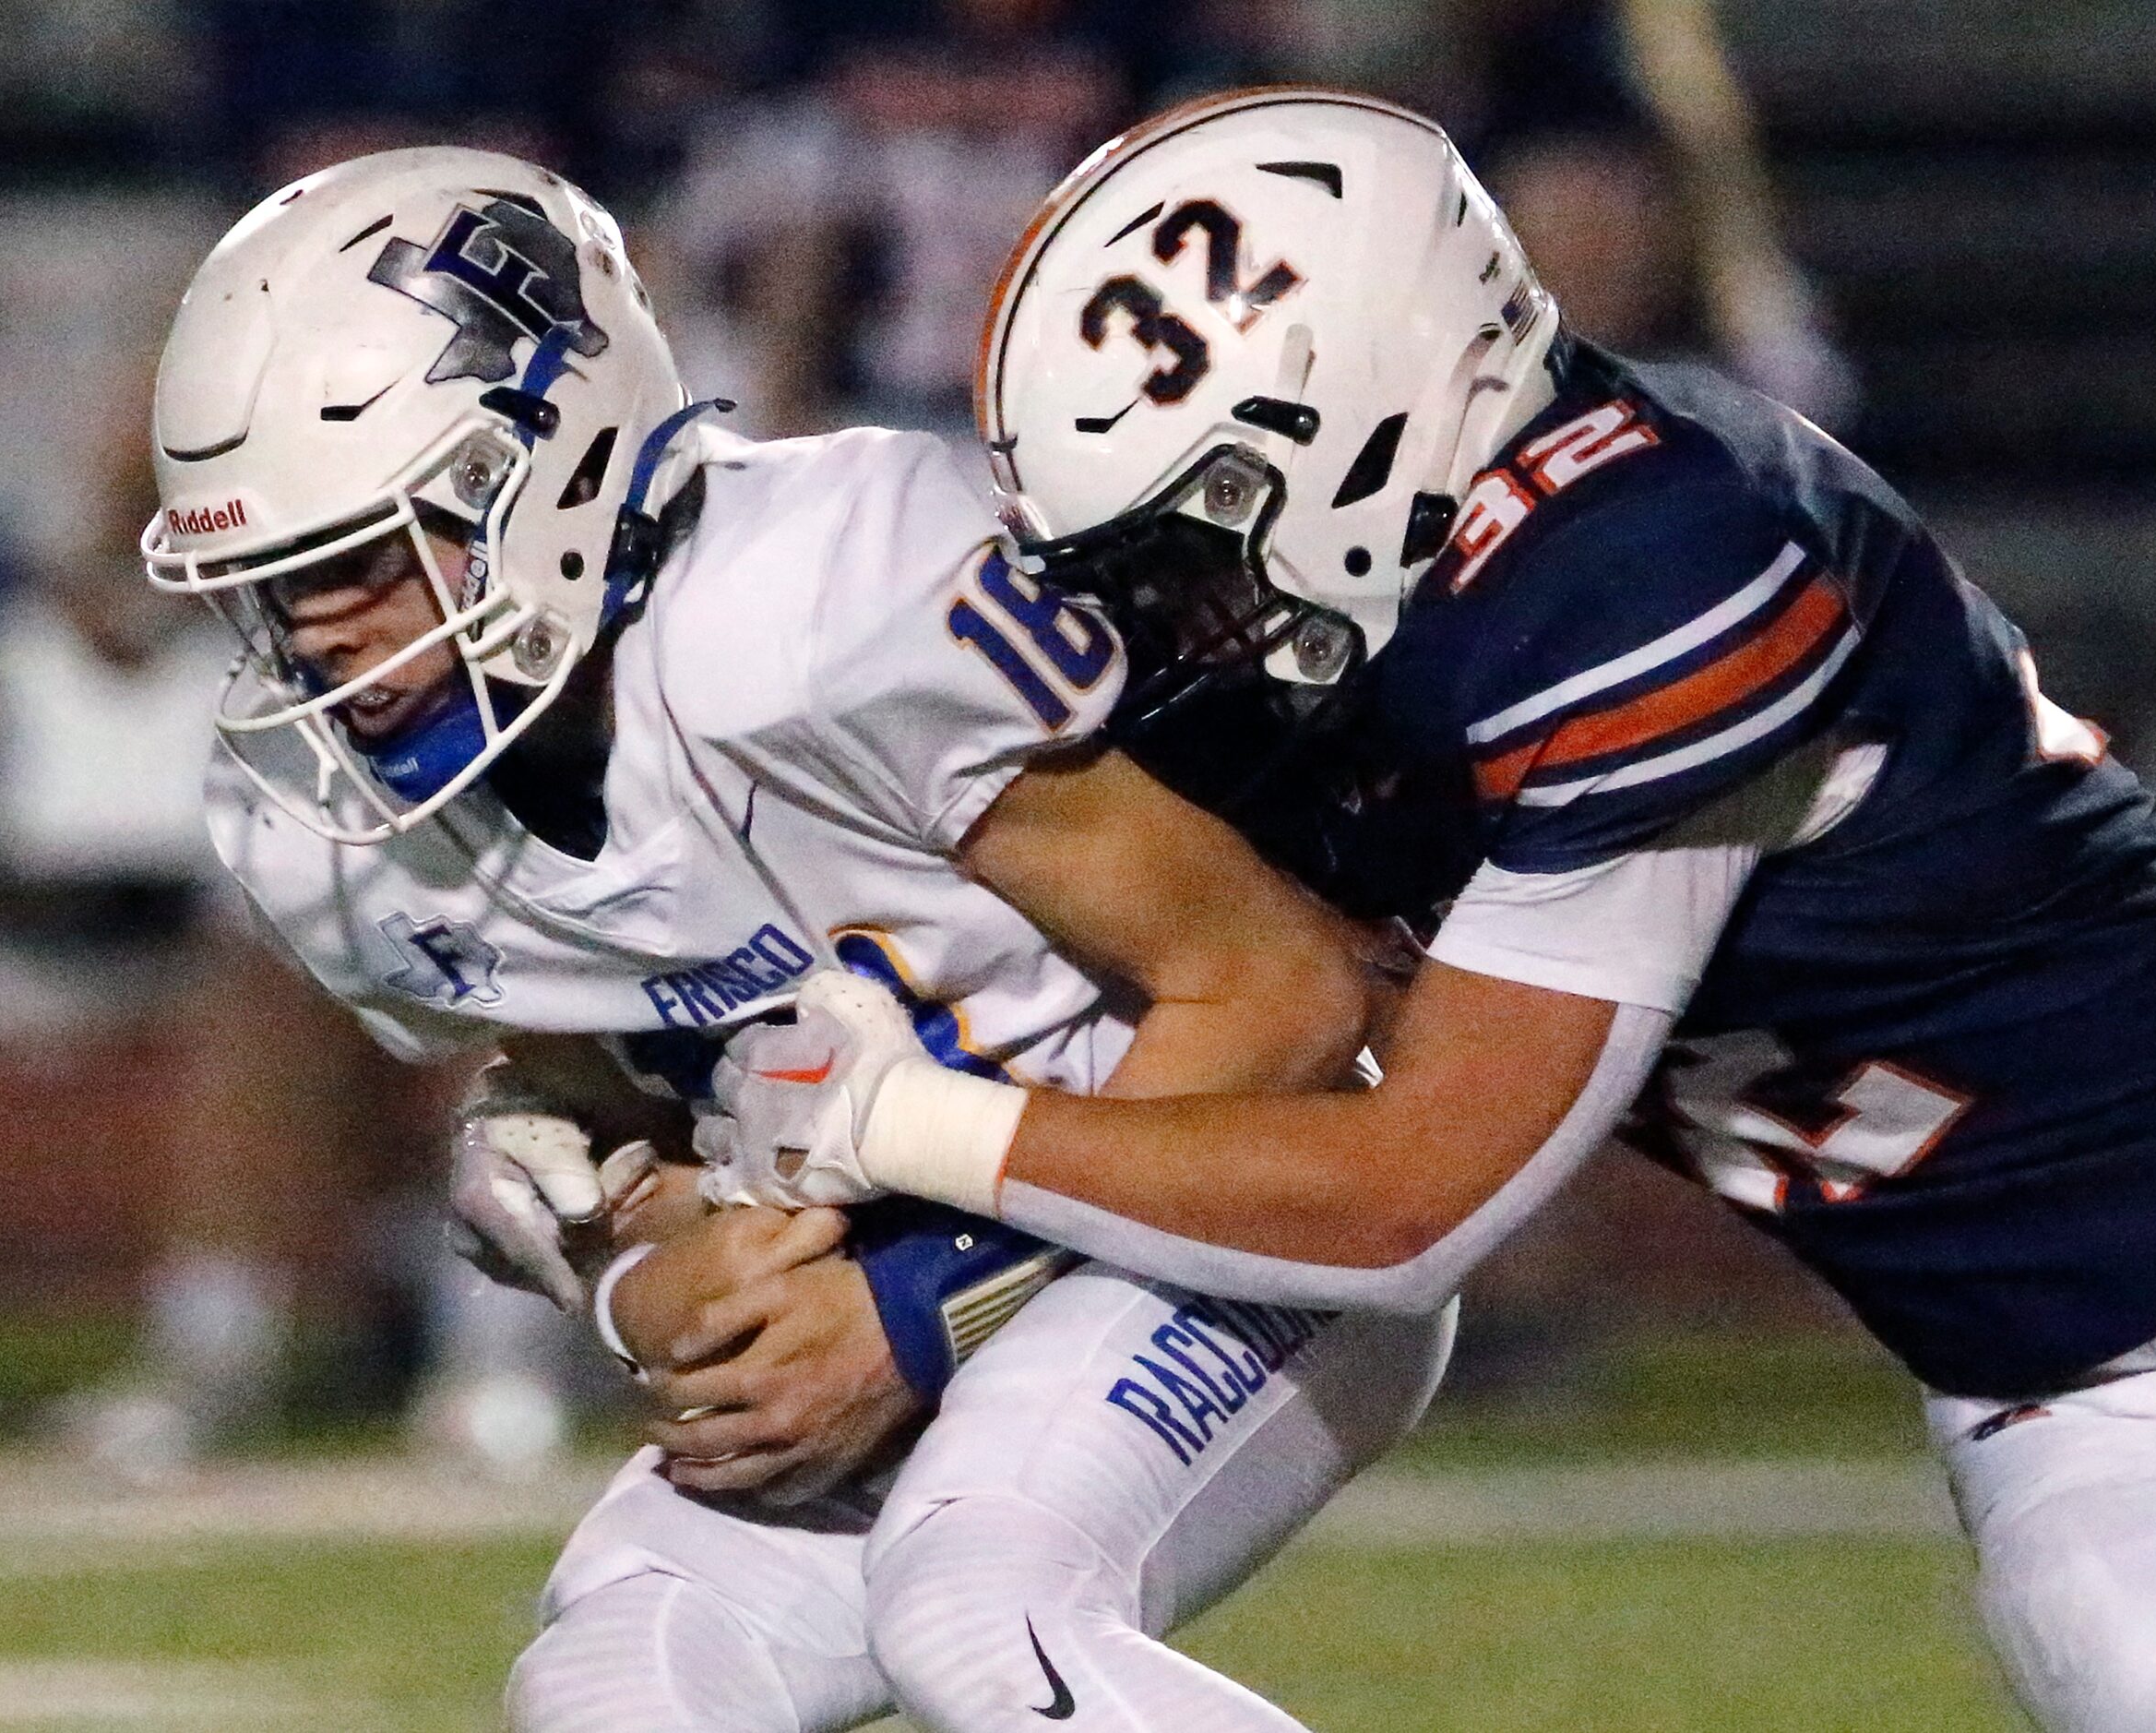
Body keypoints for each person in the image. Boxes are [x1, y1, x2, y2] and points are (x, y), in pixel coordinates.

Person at [703, 89, 2156, 1733]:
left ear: (1385, 405)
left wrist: (902, 1124)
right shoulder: (1362, 646)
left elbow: (1414, 1197)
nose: (1173, 621)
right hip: (2066, 1393)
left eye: (1194, 542)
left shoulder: (1653, 554)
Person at [137, 145, 1453, 1732]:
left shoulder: (820, 604)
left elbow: (1281, 990)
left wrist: (917, 1309)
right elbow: (619, 1132)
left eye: (358, 559)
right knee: (617, 1681)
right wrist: (627, 1271)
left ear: (542, 467)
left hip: (1232, 1194)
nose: (316, 640)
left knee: (976, 1608)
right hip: (905, 1252)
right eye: (272, 589)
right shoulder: (314, 823)